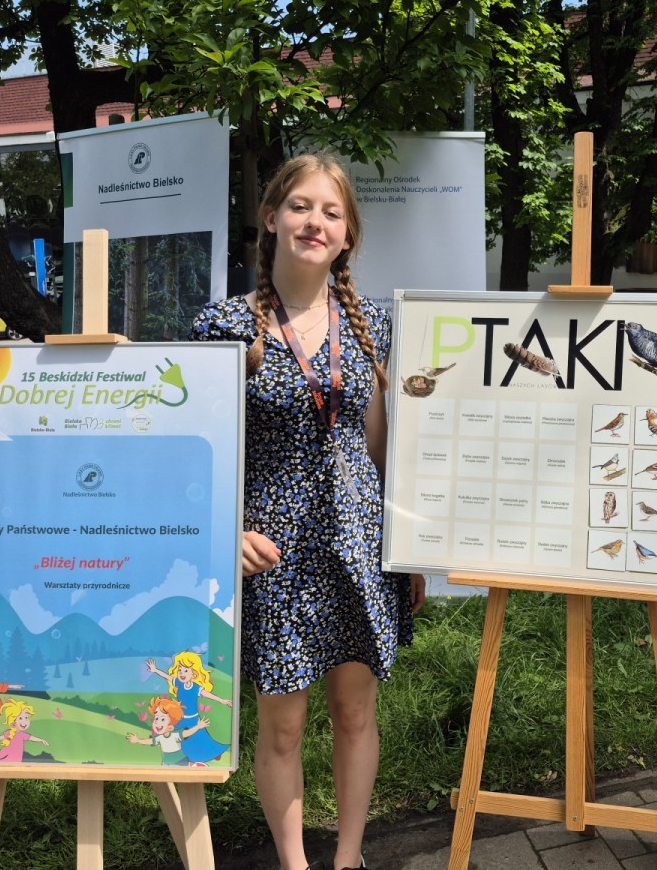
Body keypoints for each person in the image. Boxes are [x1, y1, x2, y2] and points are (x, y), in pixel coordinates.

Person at [190, 154, 424, 870]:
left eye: (330, 212)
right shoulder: (226, 325)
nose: (314, 222)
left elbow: (380, 446)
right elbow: (198, 450)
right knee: (283, 728)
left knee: (354, 714)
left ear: (347, 234)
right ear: (271, 218)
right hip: (275, 555)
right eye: (300, 206)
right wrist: (225, 531)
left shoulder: (375, 325)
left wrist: (408, 546)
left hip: (358, 548)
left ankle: (349, 858)